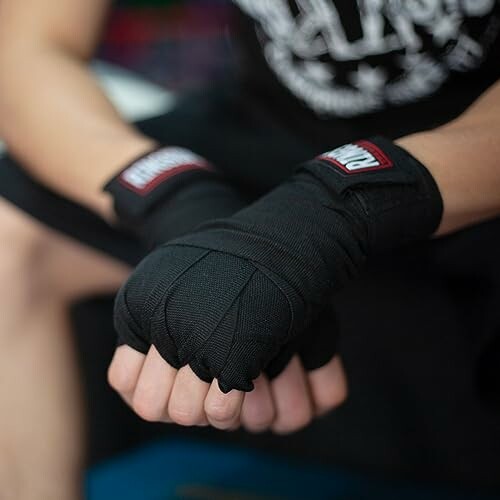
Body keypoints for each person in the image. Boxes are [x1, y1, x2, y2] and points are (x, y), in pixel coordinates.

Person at [0, 1, 499, 499]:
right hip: (262, 138)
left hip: (463, 161)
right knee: (12, 238)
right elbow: (32, 49)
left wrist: (328, 212)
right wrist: (180, 204)